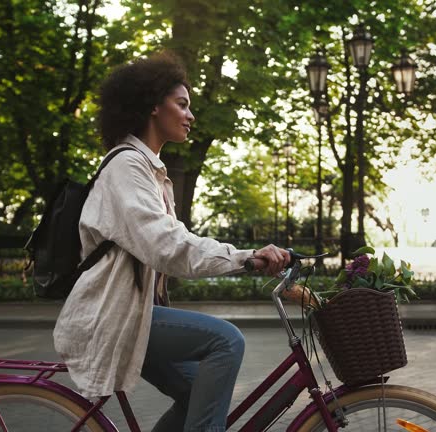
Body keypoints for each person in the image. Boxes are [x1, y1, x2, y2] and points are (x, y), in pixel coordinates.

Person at [53, 52, 290, 432]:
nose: (190, 115)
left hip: (134, 314)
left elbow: (170, 246)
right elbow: (169, 246)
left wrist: (249, 257)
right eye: (182, 105)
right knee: (226, 341)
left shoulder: (149, 172)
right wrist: (245, 258)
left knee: (199, 391)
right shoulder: (126, 167)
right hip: (114, 317)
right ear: (152, 107)